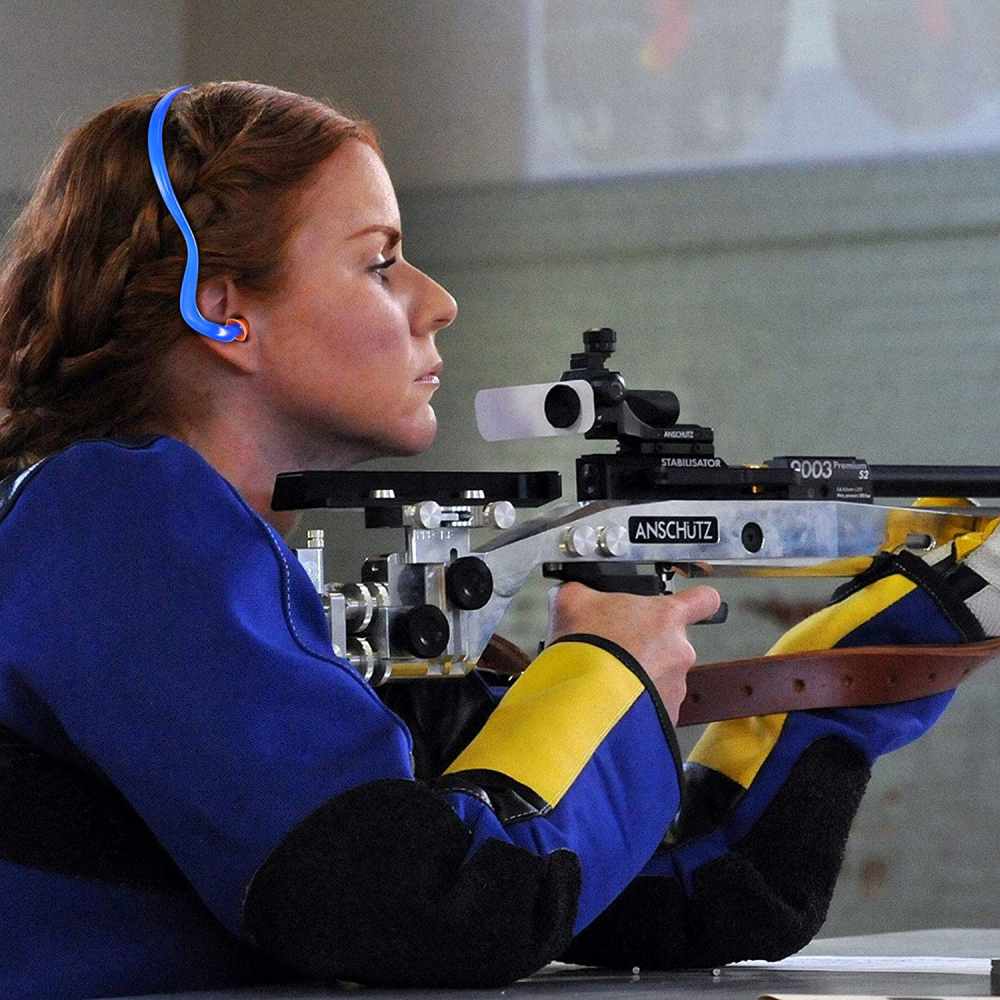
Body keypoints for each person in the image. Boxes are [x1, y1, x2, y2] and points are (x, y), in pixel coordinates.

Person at [0, 81, 996, 1000]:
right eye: (378, 261)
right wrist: (605, 667)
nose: (436, 301)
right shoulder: (115, 519)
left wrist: (884, 643)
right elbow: (432, 904)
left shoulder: (180, 562)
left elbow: (708, 889)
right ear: (224, 309)